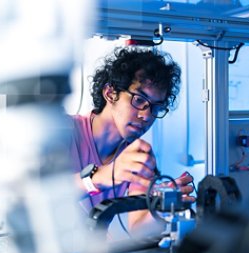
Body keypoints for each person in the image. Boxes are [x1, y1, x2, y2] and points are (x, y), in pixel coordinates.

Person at [70, 46, 194, 234]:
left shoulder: (137, 156)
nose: (146, 115)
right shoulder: (65, 131)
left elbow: (138, 229)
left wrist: (161, 207)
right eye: (138, 100)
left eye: (156, 108)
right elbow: (35, 196)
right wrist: (99, 178)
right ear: (110, 93)